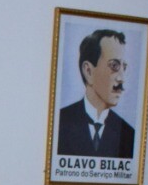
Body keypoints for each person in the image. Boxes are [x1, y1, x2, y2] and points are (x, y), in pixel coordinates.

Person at [57, 28, 136, 158]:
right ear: (88, 71)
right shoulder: (59, 123)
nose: (122, 78)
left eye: (124, 67)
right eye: (114, 66)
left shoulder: (129, 134)